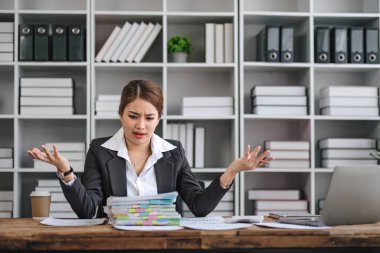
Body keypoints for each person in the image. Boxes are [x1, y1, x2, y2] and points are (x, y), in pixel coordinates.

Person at [27, 79, 273, 219]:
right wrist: (66, 171)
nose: (141, 126)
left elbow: (199, 206)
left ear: (159, 118)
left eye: (149, 117)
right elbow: (88, 210)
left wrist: (231, 171)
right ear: (120, 114)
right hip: (113, 244)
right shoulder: (100, 150)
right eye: (133, 116)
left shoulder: (173, 152)